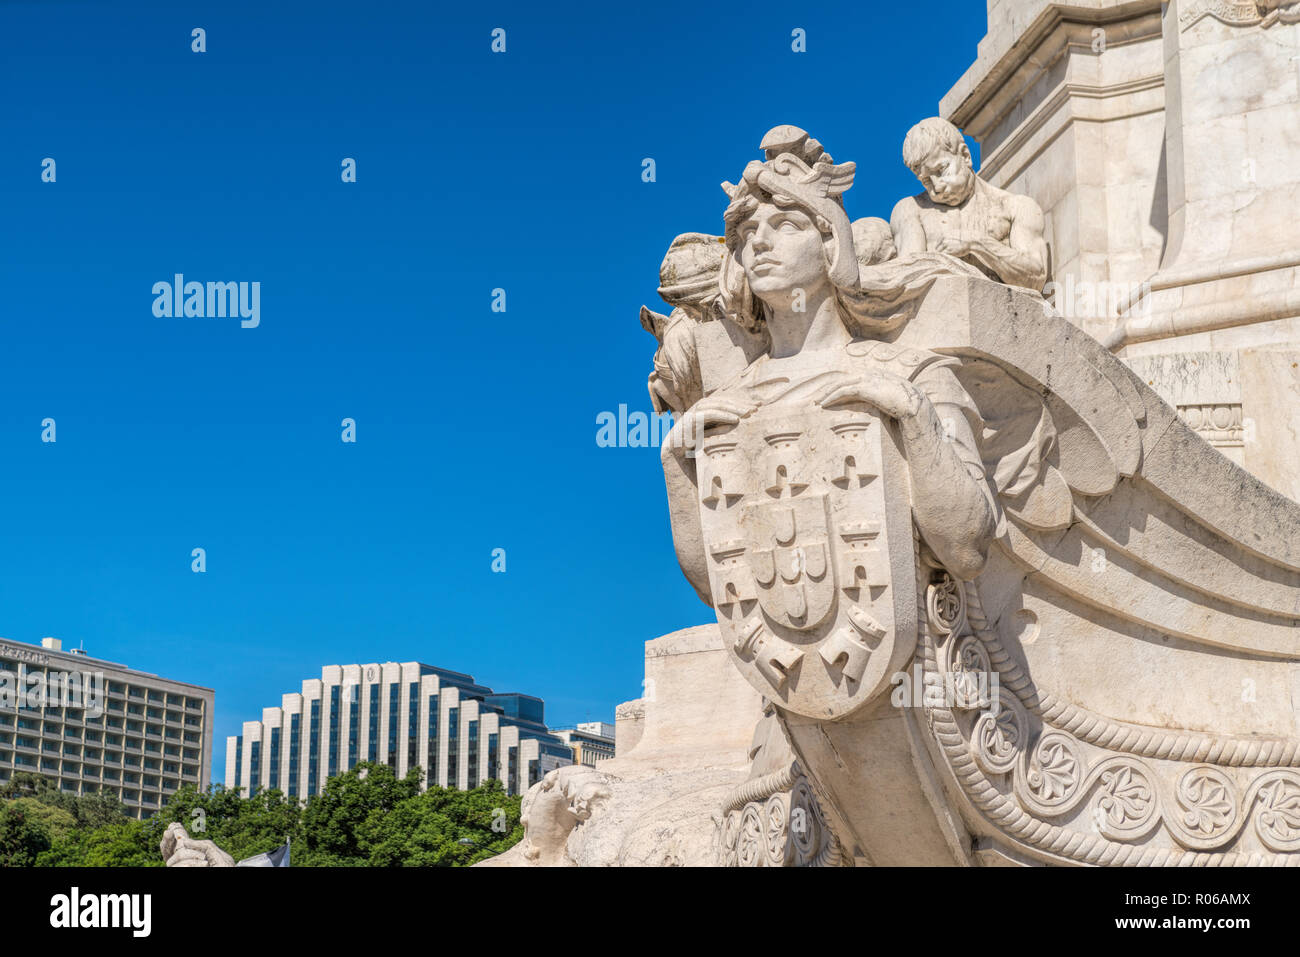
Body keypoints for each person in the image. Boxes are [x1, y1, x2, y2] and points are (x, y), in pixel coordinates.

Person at [890, 116, 1048, 292]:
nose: (937, 187)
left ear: (965, 155)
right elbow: (910, 283)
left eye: (941, 170)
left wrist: (976, 243)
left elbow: (1036, 278)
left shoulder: (1016, 207)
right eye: (926, 180)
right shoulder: (911, 210)